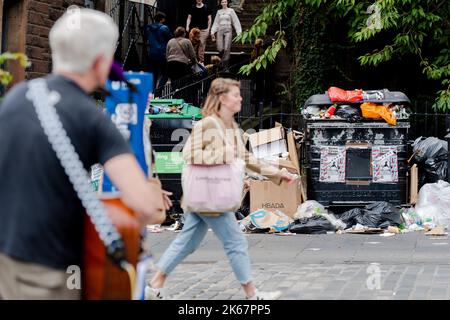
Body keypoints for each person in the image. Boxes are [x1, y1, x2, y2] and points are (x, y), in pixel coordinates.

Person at [0, 8, 172, 300]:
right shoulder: (93, 120)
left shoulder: (15, 98)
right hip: (54, 272)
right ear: (100, 62)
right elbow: (144, 206)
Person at [145, 78, 296, 300]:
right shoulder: (207, 124)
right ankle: (252, 294)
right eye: (236, 94)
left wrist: (278, 173)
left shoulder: (231, 127)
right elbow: (188, 154)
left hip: (206, 197)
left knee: (187, 242)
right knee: (236, 243)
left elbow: (246, 158)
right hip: (212, 196)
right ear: (223, 98)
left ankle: (155, 285)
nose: (241, 98)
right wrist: (222, 156)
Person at [211, 0, 242, 69]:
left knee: (226, 48)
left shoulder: (231, 11)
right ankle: (221, 64)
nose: (224, 3)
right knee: (220, 48)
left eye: (225, 2)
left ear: (227, 3)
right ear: (221, 3)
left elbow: (236, 21)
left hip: (228, 29)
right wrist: (212, 32)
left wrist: (238, 32)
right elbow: (216, 22)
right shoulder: (219, 12)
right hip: (220, 30)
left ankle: (225, 66)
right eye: (222, 2)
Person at [145, 11, 172, 89]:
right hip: (162, 54)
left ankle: (152, 91)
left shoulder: (149, 28)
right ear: (162, 19)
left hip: (151, 53)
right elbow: (170, 39)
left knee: (154, 74)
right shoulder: (164, 28)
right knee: (166, 73)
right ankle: (159, 90)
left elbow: (147, 38)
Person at [186, 0, 212, 65]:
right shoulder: (192, 7)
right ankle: (193, 62)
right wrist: (187, 26)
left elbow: (209, 19)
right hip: (194, 30)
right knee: (193, 46)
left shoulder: (206, 7)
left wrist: (208, 29)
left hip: (203, 30)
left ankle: (201, 62)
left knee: (202, 45)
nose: (199, 0)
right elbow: (189, 17)